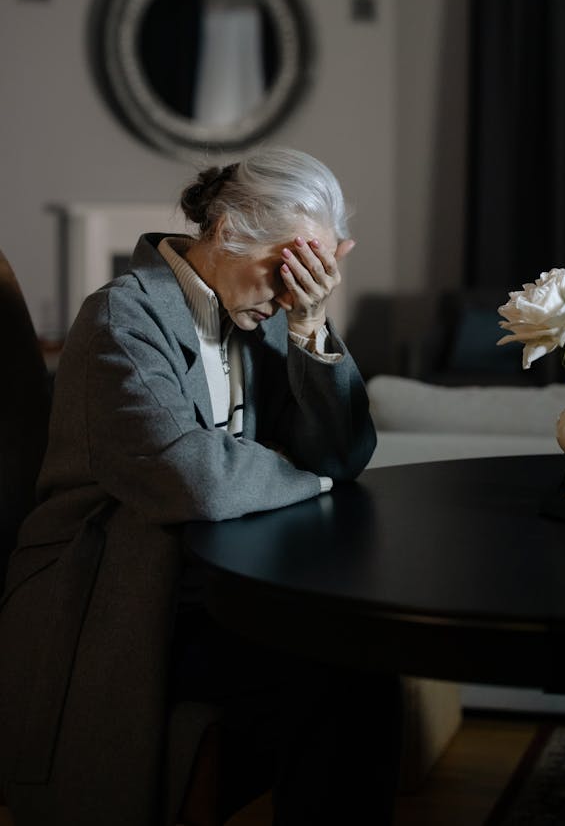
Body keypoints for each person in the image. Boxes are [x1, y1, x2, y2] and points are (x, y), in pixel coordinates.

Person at [0, 147, 402, 826]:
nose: (293, 291)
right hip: (110, 597)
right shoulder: (119, 321)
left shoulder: (261, 317)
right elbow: (198, 482)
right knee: (338, 682)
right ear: (227, 230)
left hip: (205, 587)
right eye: (289, 269)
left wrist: (309, 327)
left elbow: (345, 449)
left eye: (313, 277)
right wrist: (311, 474)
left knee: (359, 668)